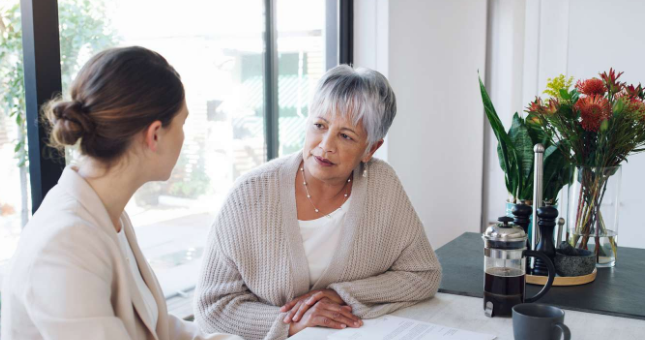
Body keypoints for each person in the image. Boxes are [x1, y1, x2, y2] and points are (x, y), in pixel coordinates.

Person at [1, 46, 242, 340]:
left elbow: (158, 328)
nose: (184, 135)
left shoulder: (107, 215)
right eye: (182, 123)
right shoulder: (63, 245)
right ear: (154, 135)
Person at [195, 65, 442, 340]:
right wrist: (293, 321)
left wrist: (339, 295)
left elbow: (423, 274)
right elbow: (211, 309)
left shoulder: (382, 184)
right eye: (319, 126)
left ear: (371, 148)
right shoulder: (250, 194)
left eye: (346, 136)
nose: (325, 145)